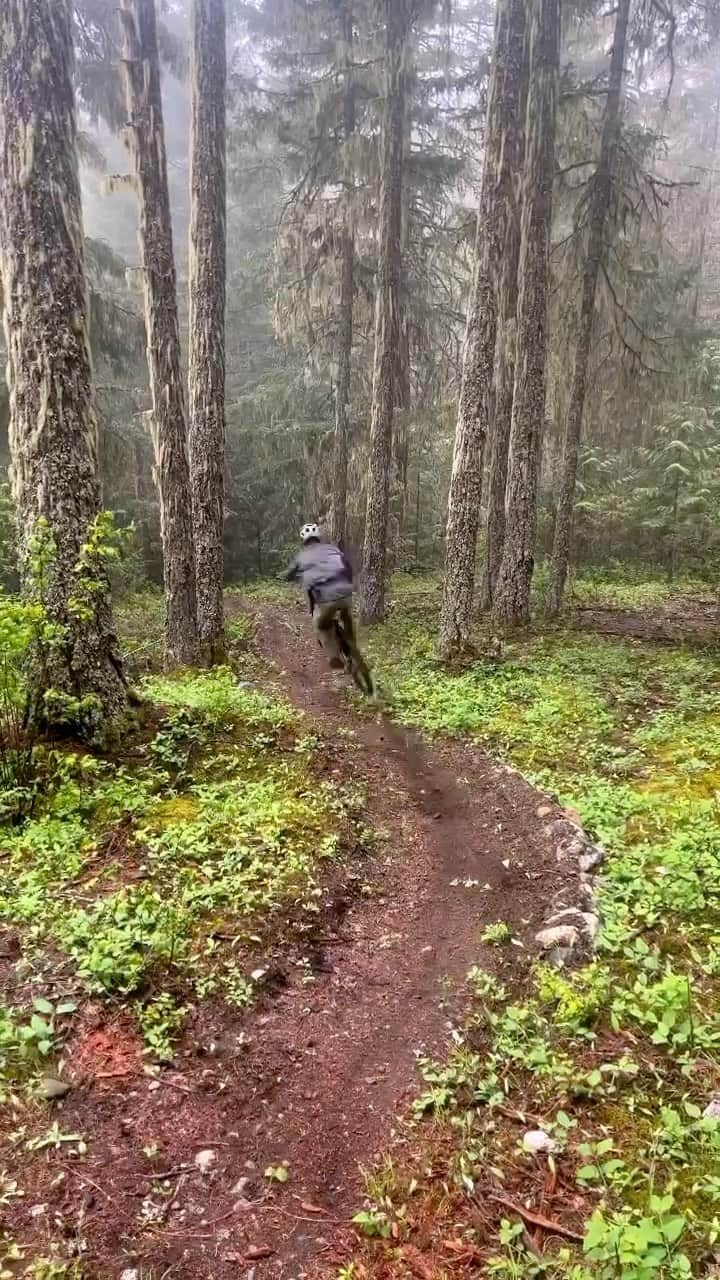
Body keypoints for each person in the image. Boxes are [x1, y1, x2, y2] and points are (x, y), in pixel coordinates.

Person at [283, 523, 357, 669]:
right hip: (345, 592)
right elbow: (348, 566)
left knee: (320, 624)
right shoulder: (333, 549)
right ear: (318, 537)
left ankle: (334, 656)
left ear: (304, 540)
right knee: (345, 614)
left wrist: (284, 577)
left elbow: (290, 573)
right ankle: (351, 649)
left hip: (324, 599)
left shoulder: (302, 556)